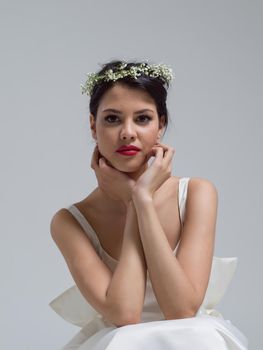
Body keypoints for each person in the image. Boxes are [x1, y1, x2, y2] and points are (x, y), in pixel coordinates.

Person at [49, 60, 248, 349]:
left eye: (142, 118)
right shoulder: (69, 222)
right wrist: (134, 204)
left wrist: (142, 200)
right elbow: (125, 314)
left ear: (161, 125)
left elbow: (181, 312)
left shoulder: (196, 193)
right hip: (118, 341)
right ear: (93, 126)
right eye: (112, 119)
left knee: (198, 335)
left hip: (191, 341)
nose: (128, 132)